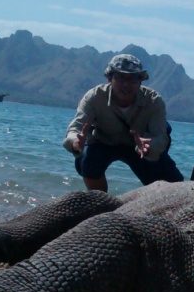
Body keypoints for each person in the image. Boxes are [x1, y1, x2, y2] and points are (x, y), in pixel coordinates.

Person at [63, 54, 183, 192]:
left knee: (174, 182)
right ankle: (101, 202)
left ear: (140, 81)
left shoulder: (154, 101)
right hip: (103, 143)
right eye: (120, 78)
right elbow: (75, 128)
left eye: (132, 79)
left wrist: (149, 147)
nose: (126, 84)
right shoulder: (94, 97)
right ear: (110, 78)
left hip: (139, 148)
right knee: (87, 162)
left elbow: (160, 136)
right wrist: (75, 142)